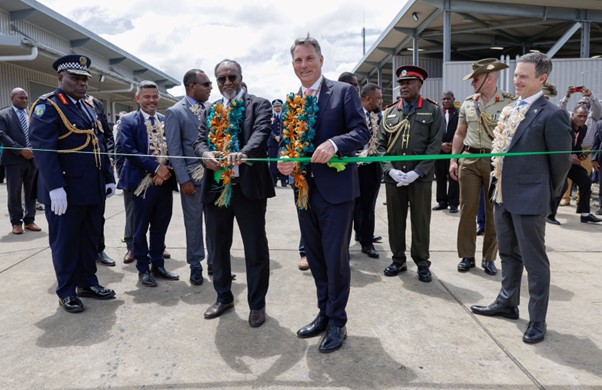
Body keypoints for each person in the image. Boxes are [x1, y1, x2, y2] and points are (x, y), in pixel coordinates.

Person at [471, 52, 572, 344]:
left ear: (542, 79)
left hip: (530, 197)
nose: (516, 80)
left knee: (534, 261)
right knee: (508, 254)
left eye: (523, 76)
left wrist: (546, 195)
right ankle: (507, 302)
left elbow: (560, 163)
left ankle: (537, 319)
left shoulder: (553, 114)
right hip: (502, 194)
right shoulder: (511, 108)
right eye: (515, 75)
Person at [278, 36, 370, 353]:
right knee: (315, 257)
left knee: (335, 259)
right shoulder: (292, 102)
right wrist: (283, 161)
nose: (304, 65)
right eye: (298, 61)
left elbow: (362, 131)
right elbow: (284, 143)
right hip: (304, 192)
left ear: (321, 60)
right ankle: (323, 313)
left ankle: (337, 322)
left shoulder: (343, 93)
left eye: (309, 59)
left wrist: (334, 144)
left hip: (337, 192)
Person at [29, 54, 116, 313]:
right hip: (65, 189)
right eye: (75, 78)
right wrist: (54, 186)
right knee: (66, 241)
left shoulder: (87, 106)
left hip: (92, 187)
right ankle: (66, 290)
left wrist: (108, 178)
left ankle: (88, 282)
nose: (81, 83)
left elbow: (99, 143)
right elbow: (43, 150)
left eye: (84, 79)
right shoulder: (49, 106)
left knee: (90, 238)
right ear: (60, 78)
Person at [194, 59, 275, 328]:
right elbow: (199, 140)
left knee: (255, 249)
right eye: (221, 79)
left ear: (241, 77)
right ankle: (223, 297)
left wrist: (245, 153)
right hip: (217, 187)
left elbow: (262, 132)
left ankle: (257, 304)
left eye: (232, 77)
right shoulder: (211, 109)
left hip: (248, 188)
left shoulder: (259, 104)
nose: (227, 83)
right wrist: (205, 154)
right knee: (218, 248)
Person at [449, 58, 516, 276]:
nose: (471, 83)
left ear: (489, 78)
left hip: (495, 163)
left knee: (493, 211)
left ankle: (489, 257)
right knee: (467, 210)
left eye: (475, 79)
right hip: (469, 159)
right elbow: (459, 134)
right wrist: (453, 159)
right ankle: (467, 256)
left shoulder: (509, 103)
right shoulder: (469, 103)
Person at [378, 65, 443, 283]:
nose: (403, 86)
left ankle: (422, 262)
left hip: (420, 178)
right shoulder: (389, 112)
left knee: (421, 220)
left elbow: (434, 147)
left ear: (419, 85)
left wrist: (418, 172)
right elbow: (380, 146)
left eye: (408, 83)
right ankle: (398, 259)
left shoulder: (433, 111)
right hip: (394, 177)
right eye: (401, 83)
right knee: (395, 220)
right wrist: (390, 170)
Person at [117, 80, 179, 287]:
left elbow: (172, 148)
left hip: (164, 182)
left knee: (161, 225)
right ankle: (143, 268)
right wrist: (155, 169)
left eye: (154, 96)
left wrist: (165, 171)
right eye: (146, 97)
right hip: (140, 182)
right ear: (138, 99)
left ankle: (158, 265)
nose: (151, 100)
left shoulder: (165, 119)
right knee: (140, 228)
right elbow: (128, 149)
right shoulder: (128, 120)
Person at [165, 69, 213, 286]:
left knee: (215, 223)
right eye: (206, 84)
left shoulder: (213, 109)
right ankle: (196, 265)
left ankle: (216, 262)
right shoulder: (175, 112)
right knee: (193, 224)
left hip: (216, 177)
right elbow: (174, 149)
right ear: (192, 86)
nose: (211, 87)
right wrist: (183, 179)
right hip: (193, 179)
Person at [0, 87, 41, 235]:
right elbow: (2, 135)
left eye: (26, 98)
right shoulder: (4, 115)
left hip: (33, 159)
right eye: (20, 98)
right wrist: (20, 150)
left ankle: (29, 220)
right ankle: (16, 223)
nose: (24, 100)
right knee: (14, 192)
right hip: (14, 160)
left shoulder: (34, 114)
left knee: (31, 192)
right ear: (12, 98)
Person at [354, 83, 384, 259]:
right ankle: (345, 243)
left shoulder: (380, 116)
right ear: (367, 99)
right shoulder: (352, 113)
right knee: (350, 207)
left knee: (368, 206)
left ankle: (366, 241)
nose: (380, 101)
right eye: (378, 98)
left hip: (372, 167)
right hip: (353, 167)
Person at [86, 94, 116, 267]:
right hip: (71, 174)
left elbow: (106, 135)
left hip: (97, 170)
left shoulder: (95, 102)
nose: (80, 82)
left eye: (84, 78)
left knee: (98, 216)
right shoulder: (55, 103)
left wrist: (109, 161)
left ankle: (98, 249)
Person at [563, 106, 602, 223]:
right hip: (559, 161)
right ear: (573, 115)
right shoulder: (565, 126)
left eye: (585, 116)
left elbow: (576, 146)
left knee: (585, 181)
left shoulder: (584, 128)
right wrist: (569, 155)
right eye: (579, 115)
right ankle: (550, 214)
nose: (582, 119)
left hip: (572, 162)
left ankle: (585, 214)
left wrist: (580, 154)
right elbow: (557, 145)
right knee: (561, 187)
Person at [432, 90, 459, 213]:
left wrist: (454, 144)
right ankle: (442, 201)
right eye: (444, 99)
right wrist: (440, 145)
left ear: (453, 99)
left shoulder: (459, 113)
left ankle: (454, 203)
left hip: (455, 150)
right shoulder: (437, 113)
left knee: (454, 176)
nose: (446, 101)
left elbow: (462, 130)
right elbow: (433, 132)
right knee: (440, 176)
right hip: (440, 150)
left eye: (448, 98)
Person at [268, 99, 288, 187]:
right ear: (273, 107)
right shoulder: (270, 117)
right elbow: (267, 128)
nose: (277, 108)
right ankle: (273, 182)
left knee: (283, 161)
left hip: (283, 143)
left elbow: (288, 127)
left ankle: (284, 181)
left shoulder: (285, 116)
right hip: (272, 143)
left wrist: (281, 136)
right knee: (273, 163)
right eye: (275, 106)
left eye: (279, 106)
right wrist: (274, 136)